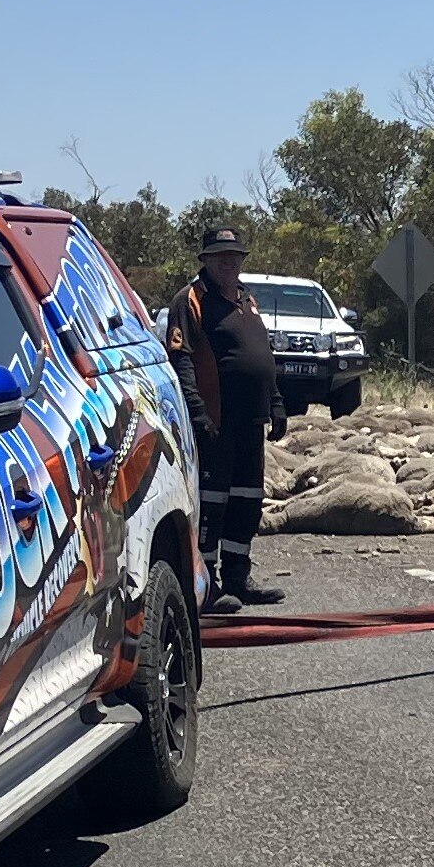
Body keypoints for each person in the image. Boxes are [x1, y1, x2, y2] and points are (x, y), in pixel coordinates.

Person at [163, 227, 285, 612]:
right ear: (206, 261)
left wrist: (277, 402)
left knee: (248, 501)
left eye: (235, 255)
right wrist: (197, 411)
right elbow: (180, 357)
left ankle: (238, 575)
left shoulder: (247, 299)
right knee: (212, 504)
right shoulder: (191, 300)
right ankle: (206, 584)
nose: (229, 262)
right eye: (221, 256)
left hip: (252, 419)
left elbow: (263, 355)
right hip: (216, 421)